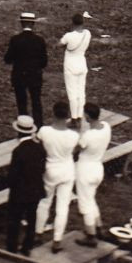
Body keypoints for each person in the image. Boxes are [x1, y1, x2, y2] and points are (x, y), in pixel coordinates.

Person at [34, 103, 80, 253]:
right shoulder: (74, 135)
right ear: (67, 117)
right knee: (62, 206)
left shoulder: (44, 131)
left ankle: (38, 232)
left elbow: (37, 145)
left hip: (50, 169)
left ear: (53, 113)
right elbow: (75, 152)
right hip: (67, 170)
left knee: (44, 201)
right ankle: (57, 239)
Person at [72, 102, 113, 247]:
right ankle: (99, 227)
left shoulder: (88, 136)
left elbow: (76, 149)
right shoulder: (106, 127)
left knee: (85, 205)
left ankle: (91, 236)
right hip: (97, 168)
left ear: (88, 117)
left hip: (85, 171)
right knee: (91, 199)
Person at [5, 115, 45, 256]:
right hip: (35, 190)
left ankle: (12, 247)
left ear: (18, 132)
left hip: (19, 192)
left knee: (14, 220)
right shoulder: (39, 148)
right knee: (31, 218)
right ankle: (27, 246)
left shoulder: (18, 151)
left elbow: (13, 175)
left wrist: (10, 185)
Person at [4, 11, 47, 127]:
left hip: (19, 75)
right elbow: (44, 62)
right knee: (36, 101)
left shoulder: (15, 39)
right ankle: (38, 126)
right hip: (35, 75)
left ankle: (24, 127)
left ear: (22, 24)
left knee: (21, 103)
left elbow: (8, 59)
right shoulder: (39, 40)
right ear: (33, 24)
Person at [59, 12, 93, 120]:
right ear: (83, 22)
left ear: (72, 23)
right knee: (81, 91)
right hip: (82, 63)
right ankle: (80, 115)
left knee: (72, 92)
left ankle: (74, 118)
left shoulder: (68, 36)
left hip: (70, 65)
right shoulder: (87, 33)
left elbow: (59, 44)